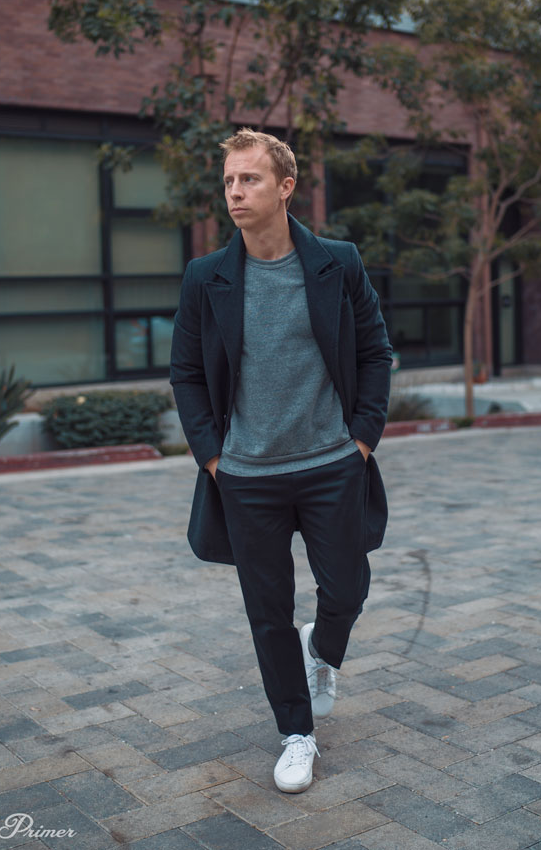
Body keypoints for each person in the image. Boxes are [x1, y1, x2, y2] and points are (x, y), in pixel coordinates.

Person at [170, 128, 392, 793]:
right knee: (268, 609)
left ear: (286, 187)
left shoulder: (337, 263)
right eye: (230, 181)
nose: (235, 192)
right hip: (248, 478)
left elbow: (375, 352)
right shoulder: (206, 277)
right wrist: (213, 455)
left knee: (346, 587)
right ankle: (296, 733)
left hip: (332, 463)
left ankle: (323, 650)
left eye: (251, 179)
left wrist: (362, 440)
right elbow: (185, 371)